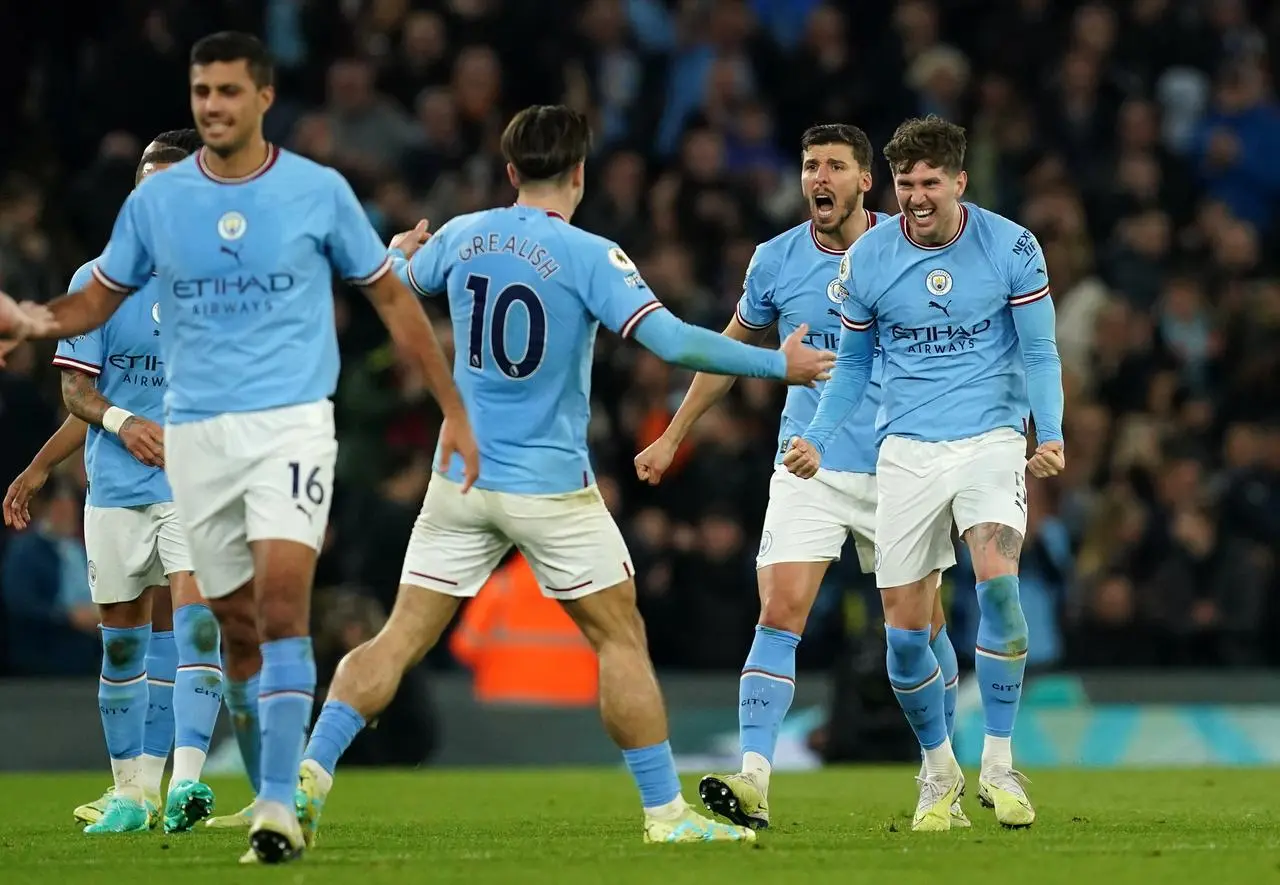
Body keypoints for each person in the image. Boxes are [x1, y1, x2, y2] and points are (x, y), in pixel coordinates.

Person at [291, 104, 834, 848]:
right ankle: (665, 815)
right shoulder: (591, 255)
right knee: (619, 636)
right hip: (550, 484)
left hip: (461, 478)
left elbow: (400, 275)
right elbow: (671, 340)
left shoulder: (461, 233)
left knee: (398, 636)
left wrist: (400, 246)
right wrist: (781, 362)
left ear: (511, 172)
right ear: (580, 172)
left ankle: (309, 776)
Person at [11, 32, 478, 865]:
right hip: (186, 450)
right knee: (220, 628)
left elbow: (387, 301)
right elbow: (89, 316)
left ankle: (265, 800)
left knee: (275, 610)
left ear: (264, 98)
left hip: (287, 430)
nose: (214, 105)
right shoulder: (149, 223)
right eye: (201, 92)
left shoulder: (313, 192)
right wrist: (32, 319)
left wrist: (453, 408)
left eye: (228, 90)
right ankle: (157, 787)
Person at [633, 123, 964, 831]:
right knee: (780, 609)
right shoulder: (776, 260)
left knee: (919, 629)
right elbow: (730, 349)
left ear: (864, 181)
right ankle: (753, 779)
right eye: (811, 165)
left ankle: (941, 772)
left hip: (900, 468)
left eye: (835, 166)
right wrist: (671, 435)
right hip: (807, 461)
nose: (819, 177)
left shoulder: (914, 252)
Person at [784, 115, 1065, 831]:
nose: (915, 196)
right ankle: (939, 773)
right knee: (906, 638)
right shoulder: (869, 261)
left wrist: (1050, 432)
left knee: (999, 587)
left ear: (959, 182)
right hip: (904, 450)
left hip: (991, 440)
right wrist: (817, 436)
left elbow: (1040, 352)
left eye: (929, 183)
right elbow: (851, 367)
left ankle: (1000, 766)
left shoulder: (1011, 246)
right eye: (905, 183)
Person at [5, 129, 229, 835]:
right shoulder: (96, 281)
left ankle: (187, 784)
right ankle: (132, 793)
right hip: (116, 490)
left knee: (195, 623)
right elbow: (82, 395)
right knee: (125, 645)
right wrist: (44, 465)